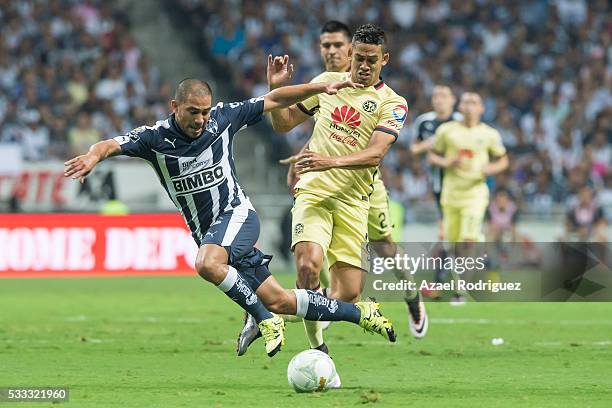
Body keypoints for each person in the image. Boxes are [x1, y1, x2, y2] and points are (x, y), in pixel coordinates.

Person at [63, 62, 396, 359]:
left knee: (207, 264)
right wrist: (93, 156)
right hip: (213, 236)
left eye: (205, 111)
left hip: (238, 216)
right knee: (280, 299)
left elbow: (274, 101)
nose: (200, 119)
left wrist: (318, 87)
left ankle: (264, 320)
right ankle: (360, 313)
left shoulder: (223, 117)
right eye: (193, 111)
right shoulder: (155, 138)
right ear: (175, 106)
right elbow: (111, 143)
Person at [238, 24, 410, 360]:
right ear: (349, 54)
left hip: (353, 202)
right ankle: (319, 350)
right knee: (308, 267)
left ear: (384, 60)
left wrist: (330, 160)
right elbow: (284, 123)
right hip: (314, 190)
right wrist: (276, 88)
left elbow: (375, 154)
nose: (363, 65)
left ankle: (264, 310)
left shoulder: (393, 103)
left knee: (345, 297)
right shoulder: (325, 84)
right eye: (358, 57)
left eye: (371, 60)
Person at [428, 91, 509, 304]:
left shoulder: (489, 134)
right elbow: (433, 154)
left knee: (468, 241)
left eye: (475, 102)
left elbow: (503, 160)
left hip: (475, 193)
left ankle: (460, 291)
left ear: (482, 108)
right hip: (451, 193)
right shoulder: (447, 131)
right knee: (452, 246)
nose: (470, 106)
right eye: (466, 102)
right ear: (460, 107)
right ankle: (458, 285)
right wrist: (447, 163)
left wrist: (490, 168)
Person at [410, 85, 462, 297]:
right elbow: (414, 149)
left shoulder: (460, 121)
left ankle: (449, 283)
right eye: (435, 96)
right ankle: (446, 284)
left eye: (443, 96)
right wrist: (430, 145)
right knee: (447, 234)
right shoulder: (425, 121)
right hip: (441, 186)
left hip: (463, 185)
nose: (438, 100)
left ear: (452, 99)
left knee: (459, 235)